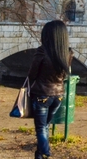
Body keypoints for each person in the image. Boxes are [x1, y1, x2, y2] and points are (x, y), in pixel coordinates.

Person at [26, 21, 71, 159]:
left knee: (41, 128)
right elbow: (64, 75)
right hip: (58, 95)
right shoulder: (68, 52)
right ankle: (39, 155)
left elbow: (32, 74)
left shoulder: (42, 51)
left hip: (42, 94)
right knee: (45, 126)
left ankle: (46, 152)